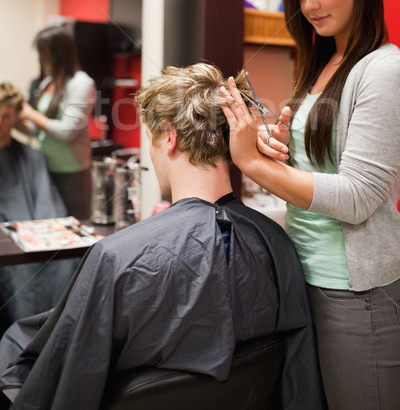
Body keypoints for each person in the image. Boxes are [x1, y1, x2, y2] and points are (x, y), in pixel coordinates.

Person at [0, 63, 326, 410]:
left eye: (151, 141)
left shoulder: (114, 257)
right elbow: (297, 377)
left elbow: (65, 376)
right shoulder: (276, 243)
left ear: (169, 137)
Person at [221, 0, 400, 410]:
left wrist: (251, 164)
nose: (310, 5)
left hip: (354, 291)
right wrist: (280, 146)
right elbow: (321, 170)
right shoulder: (323, 63)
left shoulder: (383, 69)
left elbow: (358, 199)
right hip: (305, 273)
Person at [0, 82, 76, 335]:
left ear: (16, 117)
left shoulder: (31, 157)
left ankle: (54, 337)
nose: (0, 122)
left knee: (65, 262)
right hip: (7, 243)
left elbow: (48, 206)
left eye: (6, 115)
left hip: (34, 232)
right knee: (17, 271)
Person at [19, 25, 95, 220]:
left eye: (43, 52)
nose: (41, 58)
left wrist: (31, 114)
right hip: (44, 167)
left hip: (71, 173)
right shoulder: (47, 83)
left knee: (75, 231)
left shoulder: (81, 83)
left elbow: (67, 133)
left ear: (57, 53)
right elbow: (37, 131)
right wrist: (13, 122)